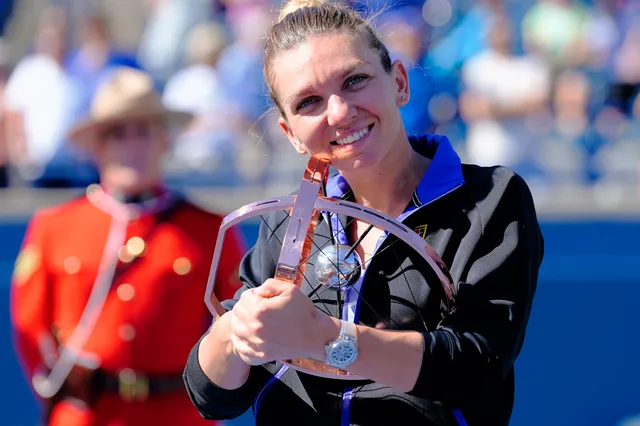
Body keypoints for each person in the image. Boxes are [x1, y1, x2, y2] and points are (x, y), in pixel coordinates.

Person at [182, 1, 544, 425]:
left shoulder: (490, 198)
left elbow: (477, 368)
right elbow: (213, 397)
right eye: (308, 102)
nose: (338, 112)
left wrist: (325, 337)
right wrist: (234, 332)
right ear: (290, 134)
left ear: (400, 83)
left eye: (355, 80)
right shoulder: (287, 223)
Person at [10, 66, 246, 426]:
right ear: (98, 147)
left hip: (179, 414)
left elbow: (234, 326)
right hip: (88, 414)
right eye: (119, 134)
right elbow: (31, 326)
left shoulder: (209, 230)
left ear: (164, 141)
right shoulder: (55, 227)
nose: (133, 146)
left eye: (144, 132)